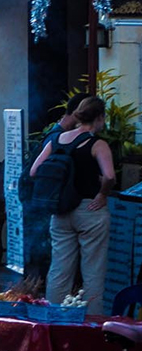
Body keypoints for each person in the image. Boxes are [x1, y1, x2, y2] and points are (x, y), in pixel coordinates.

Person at [29, 94, 115, 314]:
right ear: (99, 118)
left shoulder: (57, 140)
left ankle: (54, 319)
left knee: (60, 268)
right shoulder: (98, 144)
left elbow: (34, 171)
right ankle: (92, 323)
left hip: (60, 210)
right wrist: (103, 194)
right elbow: (109, 176)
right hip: (89, 209)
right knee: (93, 270)